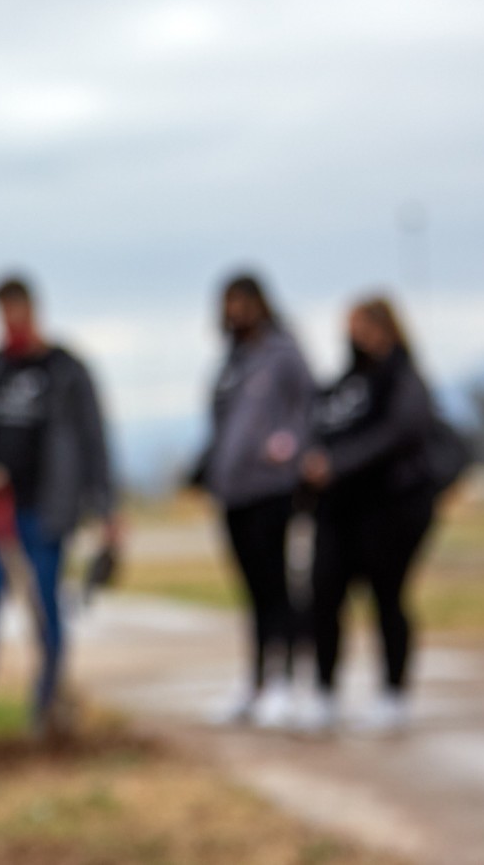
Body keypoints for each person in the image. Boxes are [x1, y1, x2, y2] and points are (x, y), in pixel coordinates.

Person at [0, 274, 118, 737]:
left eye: (14, 311)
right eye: (0, 314)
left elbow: (94, 439)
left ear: (31, 309)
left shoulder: (65, 369)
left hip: (47, 512)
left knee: (46, 611)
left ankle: (46, 708)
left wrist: (106, 508)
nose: (8, 322)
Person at [300, 297, 441, 734]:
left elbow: (401, 433)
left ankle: (393, 694)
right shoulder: (345, 382)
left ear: (383, 327)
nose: (352, 336)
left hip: (389, 508)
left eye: (359, 326)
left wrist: (339, 464)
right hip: (338, 510)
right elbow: (316, 423)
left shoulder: (403, 378)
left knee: (387, 599)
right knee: (323, 596)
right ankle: (324, 692)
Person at [194, 273, 314, 727]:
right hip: (233, 489)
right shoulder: (231, 360)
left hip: (271, 488)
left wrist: (289, 447)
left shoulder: (282, 352)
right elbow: (221, 424)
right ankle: (256, 682)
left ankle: (282, 682)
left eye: (242, 302)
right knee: (251, 592)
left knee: (275, 587)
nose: (235, 311)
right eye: (228, 303)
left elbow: (308, 407)